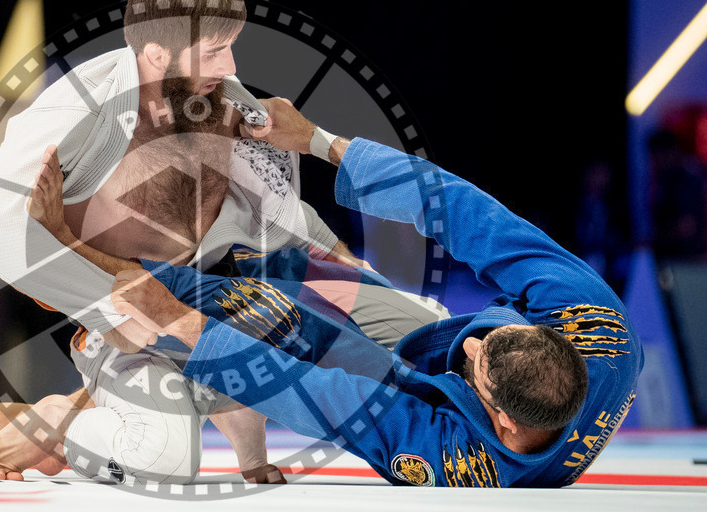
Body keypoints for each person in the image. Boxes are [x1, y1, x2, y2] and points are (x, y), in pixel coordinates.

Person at [0, 0, 380, 484]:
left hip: (215, 309)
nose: (229, 67)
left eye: (232, 46)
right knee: (167, 458)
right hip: (129, 332)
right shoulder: (76, 110)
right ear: (156, 51)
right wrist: (110, 306)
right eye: (215, 51)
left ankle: (96, 405)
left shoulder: (226, 102)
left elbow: (287, 216)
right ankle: (59, 424)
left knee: (380, 328)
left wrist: (362, 283)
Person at [106, 98, 643, 487]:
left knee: (289, 331)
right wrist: (318, 141)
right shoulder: (601, 329)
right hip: (436, 342)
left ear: (503, 421)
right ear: (566, 347)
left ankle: (125, 293)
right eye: (493, 339)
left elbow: (318, 396)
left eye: (479, 362)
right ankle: (265, 262)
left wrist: (175, 318)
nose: (476, 346)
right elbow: (464, 210)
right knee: (328, 274)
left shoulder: (461, 460)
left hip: (422, 396)